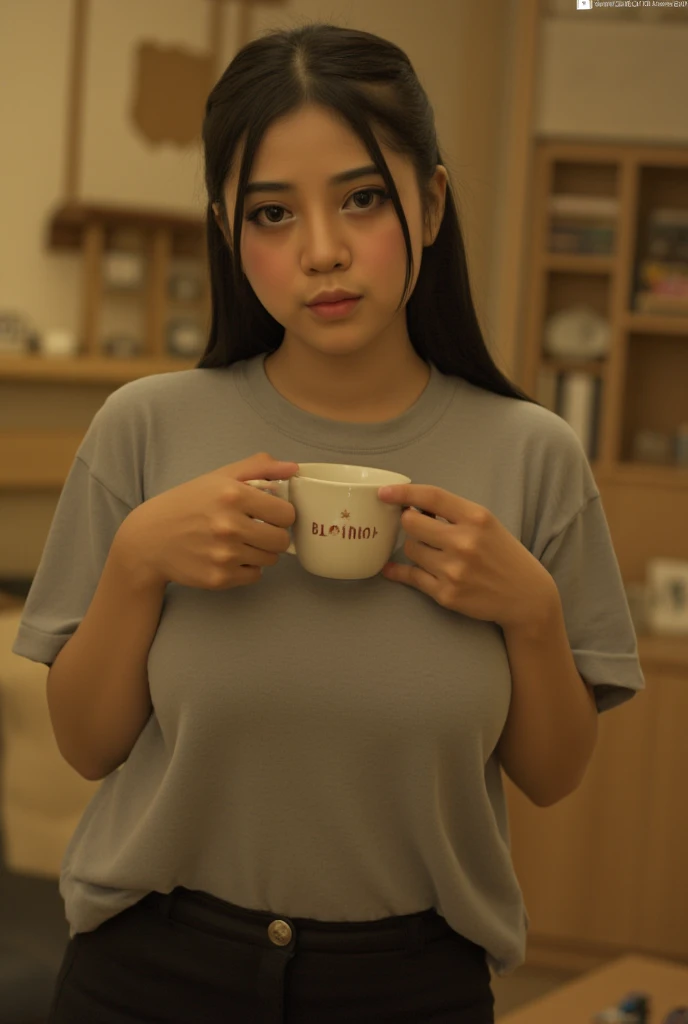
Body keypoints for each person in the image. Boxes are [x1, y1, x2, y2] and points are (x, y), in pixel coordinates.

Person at [12, 21, 645, 1024]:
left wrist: (529, 611)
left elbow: (552, 774)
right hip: (147, 973)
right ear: (226, 227)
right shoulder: (143, 426)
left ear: (430, 202)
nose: (320, 250)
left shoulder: (535, 456)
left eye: (360, 198)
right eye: (271, 212)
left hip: (411, 983)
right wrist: (136, 564)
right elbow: (89, 746)